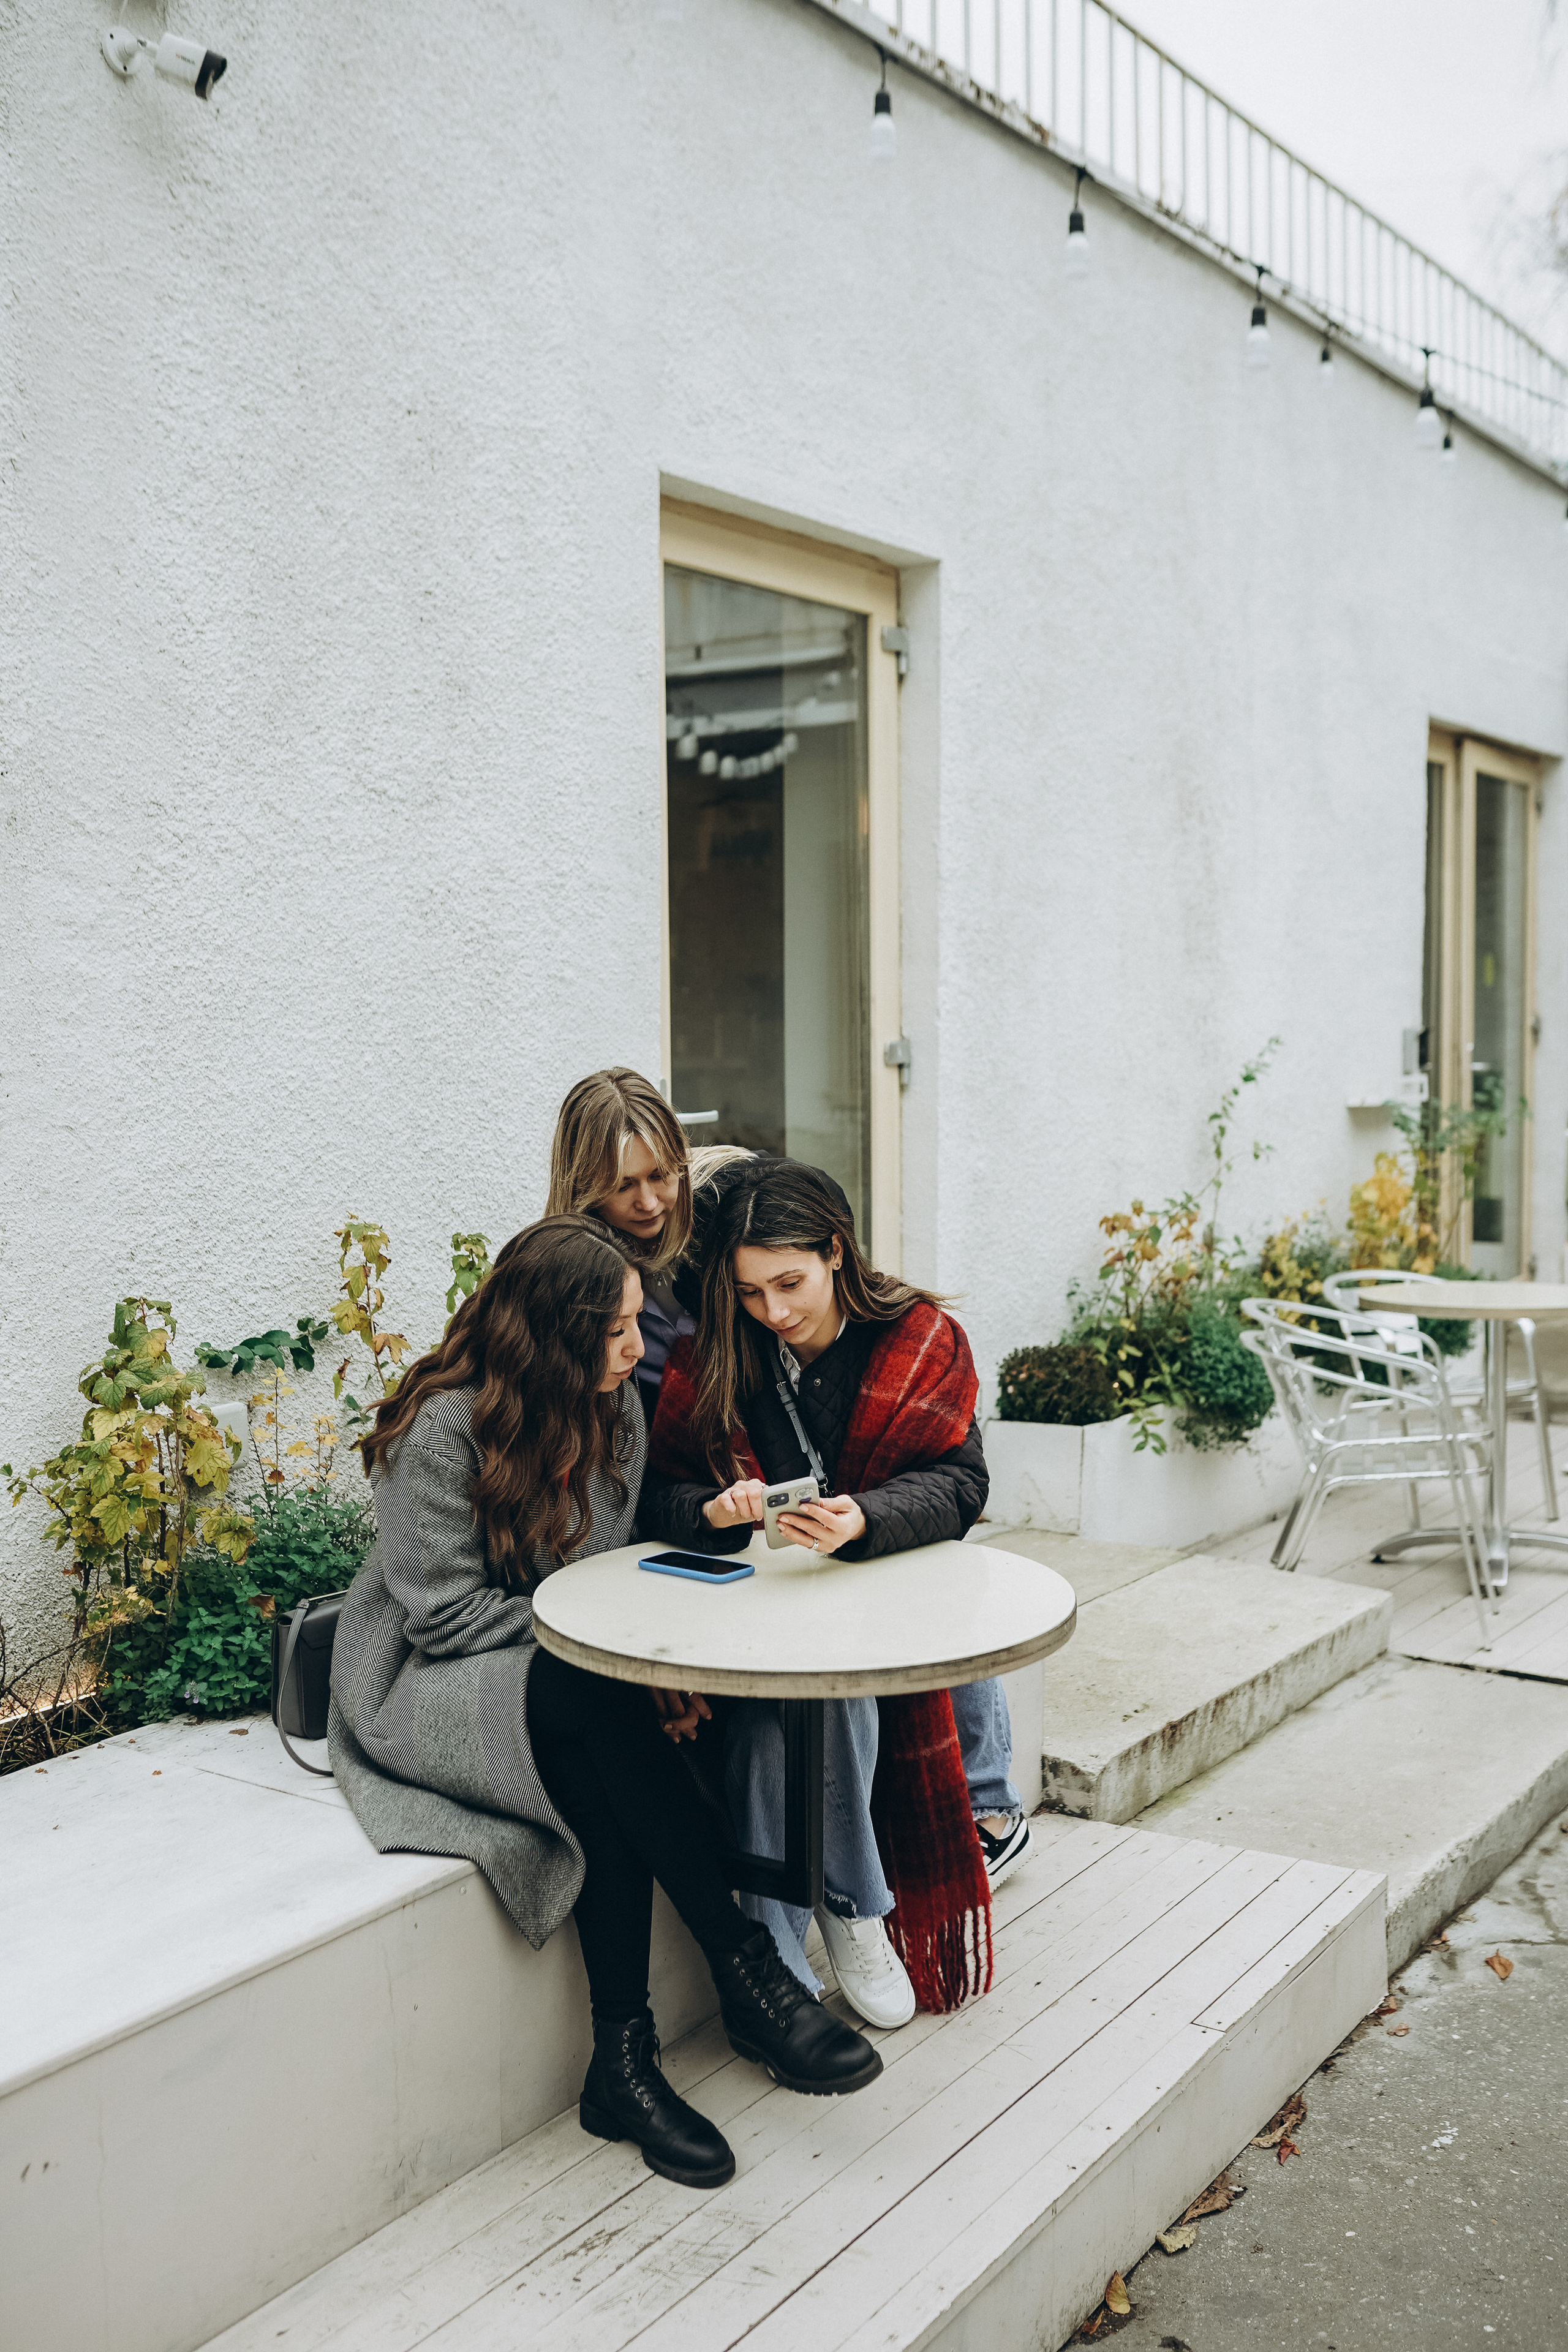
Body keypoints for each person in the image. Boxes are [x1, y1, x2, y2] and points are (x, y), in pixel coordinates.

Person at [328, 1213, 881, 2194]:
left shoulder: (609, 1406)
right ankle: (741, 1962)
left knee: (594, 1762)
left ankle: (623, 2065)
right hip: (425, 1683)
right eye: (619, 1329)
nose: (640, 1347)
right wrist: (613, 1666)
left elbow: (599, 1575)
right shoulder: (439, 1430)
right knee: (592, 1707)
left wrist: (626, 1662)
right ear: (555, 1333)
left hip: (564, 1676)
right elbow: (445, 1620)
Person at [641, 1158, 1032, 2032]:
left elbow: (963, 1484)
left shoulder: (921, 1337)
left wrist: (865, 1519)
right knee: (787, 1706)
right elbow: (657, 1494)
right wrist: (712, 1508)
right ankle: (830, 1922)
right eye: (748, 1292)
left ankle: (825, 1926)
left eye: (791, 1283)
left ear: (836, 1253)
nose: (773, 1312)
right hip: (760, 1601)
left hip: (882, 1599)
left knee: (832, 1682)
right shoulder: (720, 1351)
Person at [545, 1068, 697, 1426]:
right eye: (623, 1185)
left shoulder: (721, 1239)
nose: (648, 1202)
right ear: (584, 1188)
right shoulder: (559, 1281)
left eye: (659, 1176)